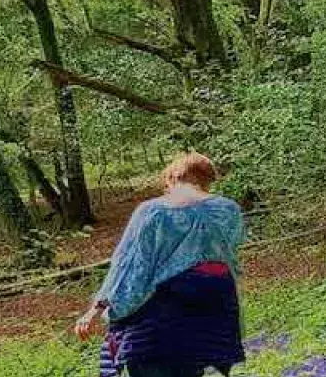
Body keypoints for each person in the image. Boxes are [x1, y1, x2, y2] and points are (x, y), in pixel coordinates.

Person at [74, 152, 247, 377]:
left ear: (173, 177)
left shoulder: (154, 212)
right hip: (215, 315)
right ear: (208, 180)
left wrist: (98, 310)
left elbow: (131, 266)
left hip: (163, 321)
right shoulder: (228, 210)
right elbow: (228, 257)